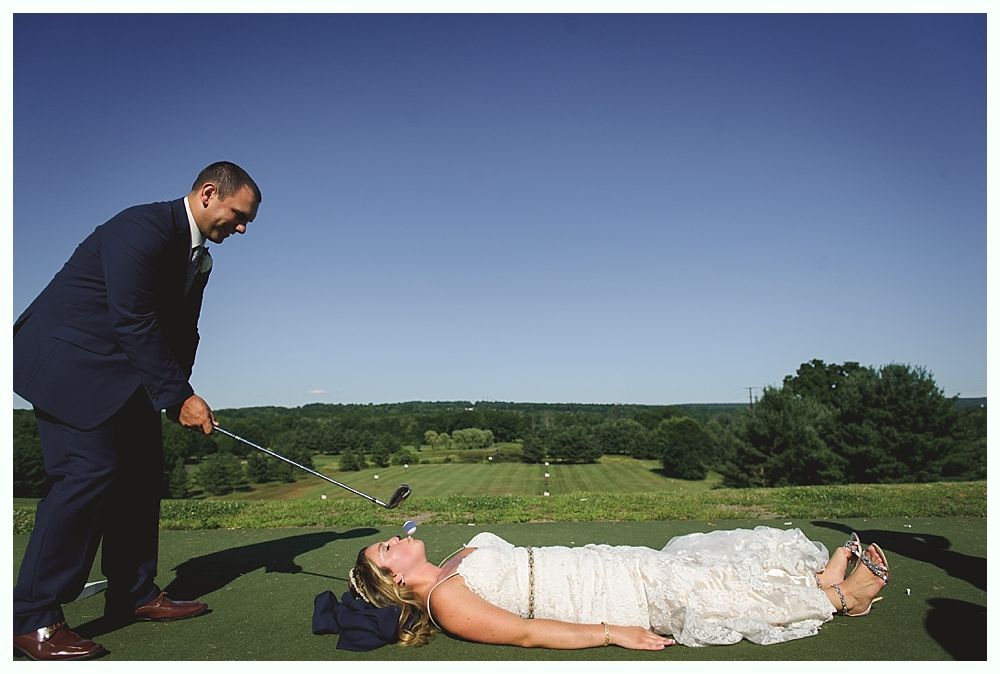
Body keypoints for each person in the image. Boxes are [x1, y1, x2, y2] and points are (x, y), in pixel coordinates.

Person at [12, 161, 262, 661]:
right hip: (70, 364)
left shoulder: (201, 259)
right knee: (88, 475)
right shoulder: (140, 228)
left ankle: (134, 592)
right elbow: (133, 318)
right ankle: (32, 618)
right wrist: (176, 395)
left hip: (125, 375)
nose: (240, 228)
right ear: (209, 193)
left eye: (247, 223)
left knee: (142, 475)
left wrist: (177, 395)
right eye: (238, 215)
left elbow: (181, 332)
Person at [314, 526, 890, 651]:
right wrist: (617, 633)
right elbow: (527, 632)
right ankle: (843, 598)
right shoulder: (446, 601)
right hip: (609, 598)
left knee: (701, 561)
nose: (393, 536)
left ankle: (816, 578)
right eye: (385, 549)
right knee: (707, 591)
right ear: (393, 577)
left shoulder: (450, 563)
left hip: (607, 563)